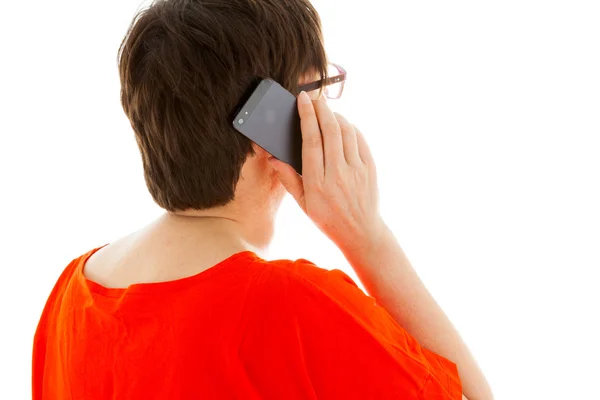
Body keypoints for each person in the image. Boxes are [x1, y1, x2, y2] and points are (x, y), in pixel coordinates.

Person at [32, 0, 494, 399]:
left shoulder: (69, 295)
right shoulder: (292, 307)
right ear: (269, 124)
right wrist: (368, 238)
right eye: (316, 91)